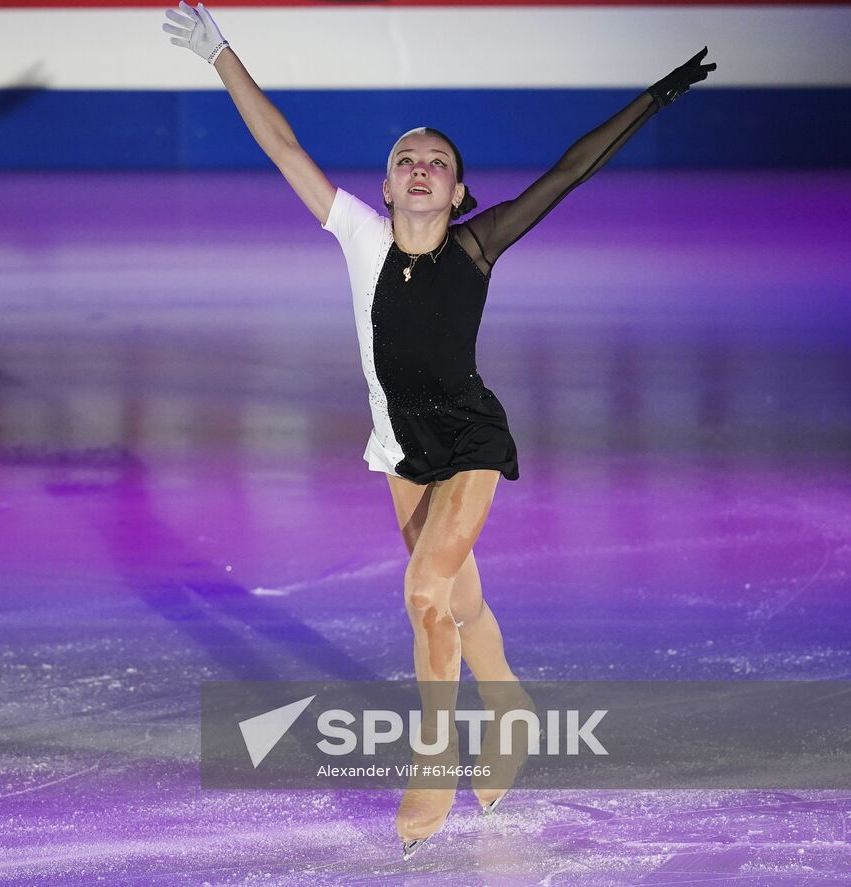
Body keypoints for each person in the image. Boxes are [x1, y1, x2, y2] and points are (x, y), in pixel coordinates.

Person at [162, 1, 714, 859]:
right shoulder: (358, 236)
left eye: (438, 163)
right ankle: (511, 707)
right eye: (405, 160)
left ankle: (435, 755)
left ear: (458, 192)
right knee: (459, 599)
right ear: (385, 187)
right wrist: (221, 53)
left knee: (423, 594)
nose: (420, 169)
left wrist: (653, 100)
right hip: (401, 450)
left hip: (470, 441)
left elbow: (566, 174)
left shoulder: (476, 247)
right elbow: (282, 146)